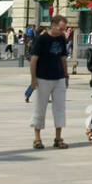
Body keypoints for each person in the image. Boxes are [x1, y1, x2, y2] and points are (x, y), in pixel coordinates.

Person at [29, 15, 70, 149]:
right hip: (43, 77)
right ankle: (37, 138)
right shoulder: (42, 39)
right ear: (53, 25)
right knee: (39, 108)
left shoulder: (62, 39)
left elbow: (63, 58)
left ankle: (58, 138)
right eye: (60, 28)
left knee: (60, 108)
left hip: (59, 78)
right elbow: (34, 59)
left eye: (63, 29)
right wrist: (33, 78)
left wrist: (66, 75)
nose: (62, 31)